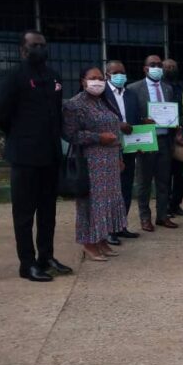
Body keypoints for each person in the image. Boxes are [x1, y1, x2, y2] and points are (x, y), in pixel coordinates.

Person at [0, 29, 72, 282]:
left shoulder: (53, 76)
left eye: (44, 45)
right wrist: (20, 135)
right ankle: (27, 264)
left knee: (48, 212)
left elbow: (56, 115)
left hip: (50, 156)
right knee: (25, 214)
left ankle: (45, 257)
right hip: (25, 157)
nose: (41, 50)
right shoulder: (13, 76)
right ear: (23, 50)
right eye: (35, 46)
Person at [63, 67, 127, 262]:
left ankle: (101, 239)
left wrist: (119, 157)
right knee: (91, 204)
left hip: (110, 161)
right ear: (83, 81)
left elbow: (115, 130)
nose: (97, 81)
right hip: (90, 161)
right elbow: (70, 134)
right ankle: (88, 243)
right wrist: (98, 137)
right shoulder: (74, 105)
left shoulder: (104, 101)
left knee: (107, 202)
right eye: (93, 78)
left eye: (101, 78)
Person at [126, 55, 178, 231]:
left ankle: (162, 216)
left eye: (159, 65)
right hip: (146, 140)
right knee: (144, 183)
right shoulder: (133, 88)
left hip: (164, 140)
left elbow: (171, 112)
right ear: (145, 68)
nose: (157, 67)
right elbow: (130, 116)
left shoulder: (168, 88)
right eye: (152, 65)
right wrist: (142, 120)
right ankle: (145, 218)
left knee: (164, 181)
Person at [103, 60, 142, 245]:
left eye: (123, 72)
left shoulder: (131, 95)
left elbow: (137, 120)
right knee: (111, 189)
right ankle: (109, 230)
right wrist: (119, 125)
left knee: (126, 187)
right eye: (116, 72)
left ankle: (121, 226)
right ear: (107, 75)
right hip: (108, 148)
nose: (120, 76)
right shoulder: (102, 93)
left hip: (129, 147)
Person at [163, 58, 183, 219]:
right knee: (165, 174)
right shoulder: (159, 88)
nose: (171, 69)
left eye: (173, 66)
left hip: (180, 134)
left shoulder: (182, 88)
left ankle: (176, 204)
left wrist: (181, 130)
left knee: (180, 174)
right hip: (164, 135)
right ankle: (164, 206)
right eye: (167, 67)